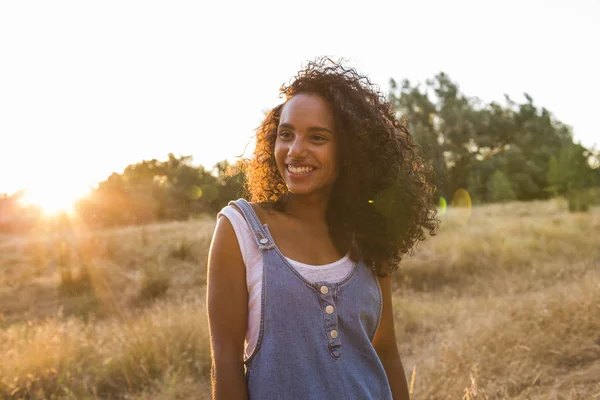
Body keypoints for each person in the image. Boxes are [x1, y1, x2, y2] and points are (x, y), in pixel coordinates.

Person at [207, 58, 438, 400]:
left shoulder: (369, 235)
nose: (295, 150)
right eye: (286, 134)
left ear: (349, 151)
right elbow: (225, 360)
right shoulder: (240, 228)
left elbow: (386, 350)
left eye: (317, 137)